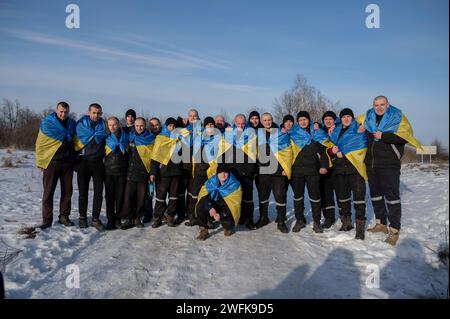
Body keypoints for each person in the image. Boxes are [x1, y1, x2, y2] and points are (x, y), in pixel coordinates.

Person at [357, 96, 422, 245]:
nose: (379, 107)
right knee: (375, 195)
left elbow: (405, 137)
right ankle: (381, 224)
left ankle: (394, 230)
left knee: (392, 197)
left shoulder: (397, 117)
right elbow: (354, 125)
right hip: (371, 164)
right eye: (376, 105)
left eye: (382, 104)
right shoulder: (369, 119)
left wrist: (384, 135)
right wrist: (360, 128)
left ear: (388, 105)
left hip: (389, 164)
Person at [35, 101, 76, 229]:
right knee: (48, 193)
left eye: (66, 112)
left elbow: (76, 140)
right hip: (51, 162)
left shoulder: (72, 124)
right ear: (56, 110)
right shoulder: (48, 123)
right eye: (61, 111)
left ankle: (64, 216)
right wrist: (41, 161)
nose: (63, 114)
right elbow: (40, 144)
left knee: (67, 191)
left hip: (67, 163)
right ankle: (47, 220)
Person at [328, 108, 368, 240]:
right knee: (343, 198)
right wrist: (333, 152)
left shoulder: (359, 128)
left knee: (359, 200)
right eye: (343, 117)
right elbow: (330, 148)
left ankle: (360, 229)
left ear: (352, 118)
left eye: (349, 116)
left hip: (355, 169)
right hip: (339, 170)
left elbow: (360, 143)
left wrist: (343, 151)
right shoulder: (335, 131)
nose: (346, 119)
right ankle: (347, 223)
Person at [287, 112, 329, 233]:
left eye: (305, 119)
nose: (303, 122)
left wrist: (324, 166)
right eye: (300, 120)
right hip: (297, 171)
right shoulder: (293, 135)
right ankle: (299, 220)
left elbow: (323, 151)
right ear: (298, 122)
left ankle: (316, 222)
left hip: (313, 170)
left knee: (315, 197)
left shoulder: (316, 133)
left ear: (309, 120)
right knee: (298, 197)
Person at [74, 103, 108, 231]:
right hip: (83, 162)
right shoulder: (80, 125)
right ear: (89, 112)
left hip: (98, 162)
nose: (96, 115)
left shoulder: (104, 126)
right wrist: (75, 162)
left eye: (99, 113)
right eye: (94, 112)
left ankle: (95, 219)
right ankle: (82, 218)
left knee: (98, 192)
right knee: (83, 192)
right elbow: (73, 142)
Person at [256, 112, 292, 233]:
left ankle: (281, 221)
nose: (267, 122)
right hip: (263, 170)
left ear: (272, 120)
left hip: (277, 170)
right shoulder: (258, 134)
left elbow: (287, 151)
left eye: (269, 120)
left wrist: (285, 168)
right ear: (261, 121)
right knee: (263, 196)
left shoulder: (280, 133)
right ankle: (263, 217)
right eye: (265, 120)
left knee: (280, 196)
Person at [222, 113, 257, 230]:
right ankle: (237, 216)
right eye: (238, 123)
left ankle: (249, 219)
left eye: (243, 123)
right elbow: (222, 151)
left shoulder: (252, 134)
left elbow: (256, 151)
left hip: (247, 170)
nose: (241, 126)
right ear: (234, 122)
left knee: (248, 197)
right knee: (235, 196)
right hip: (233, 170)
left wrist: (252, 168)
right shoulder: (228, 134)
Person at [120, 117, 155, 229]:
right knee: (128, 197)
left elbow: (154, 158)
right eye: (137, 126)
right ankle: (128, 219)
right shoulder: (130, 137)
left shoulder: (151, 139)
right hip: (131, 172)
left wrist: (152, 173)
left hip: (144, 173)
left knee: (141, 198)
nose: (139, 128)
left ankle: (137, 218)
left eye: (141, 125)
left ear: (145, 126)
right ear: (134, 126)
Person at [150, 117, 183, 227]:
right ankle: (158, 217)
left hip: (176, 172)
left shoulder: (179, 138)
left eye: (174, 126)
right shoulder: (160, 139)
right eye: (170, 126)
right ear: (166, 126)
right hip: (162, 173)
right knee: (160, 197)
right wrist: (153, 173)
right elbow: (155, 157)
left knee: (173, 197)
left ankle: (170, 217)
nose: (172, 128)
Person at [195, 164, 242, 240]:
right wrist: (210, 208)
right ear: (217, 174)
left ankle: (228, 227)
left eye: (225, 172)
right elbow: (203, 198)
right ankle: (204, 230)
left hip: (226, 210)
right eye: (220, 172)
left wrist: (221, 215)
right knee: (200, 206)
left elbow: (234, 207)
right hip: (214, 206)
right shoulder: (211, 182)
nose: (223, 175)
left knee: (228, 224)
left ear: (229, 174)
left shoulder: (235, 185)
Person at [104, 117, 129, 230]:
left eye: (114, 124)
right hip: (109, 171)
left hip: (122, 171)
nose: (112, 127)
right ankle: (110, 219)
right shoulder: (105, 138)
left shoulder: (126, 137)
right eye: (110, 125)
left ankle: (118, 219)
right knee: (109, 197)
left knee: (120, 197)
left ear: (119, 124)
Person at [314, 111, 338, 228]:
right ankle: (329, 218)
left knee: (340, 193)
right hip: (324, 167)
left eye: (330, 119)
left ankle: (345, 217)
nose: (328, 121)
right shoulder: (320, 132)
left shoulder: (339, 130)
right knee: (326, 193)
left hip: (338, 166)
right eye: (326, 119)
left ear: (335, 120)